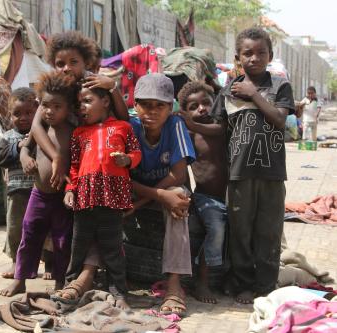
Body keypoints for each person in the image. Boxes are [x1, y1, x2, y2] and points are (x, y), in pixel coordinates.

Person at [211, 27, 295, 304]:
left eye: (261, 52)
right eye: (248, 53)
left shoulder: (279, 85)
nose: (254, 58)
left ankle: (267, 285)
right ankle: (244, 283)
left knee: (269, 231)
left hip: (272, 174)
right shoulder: (229, 89)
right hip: (239, 173)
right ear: (238, 57)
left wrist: (253, 94)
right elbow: (219, 130)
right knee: (241, 232)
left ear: (270, 55)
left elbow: (280, 120)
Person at [55, 86, 141, 309]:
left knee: (112, 246)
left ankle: (119, 292)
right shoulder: (78, 133)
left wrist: (128, 160)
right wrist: (70, 189)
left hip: (112, 196)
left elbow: (136, 152)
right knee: (79, 244)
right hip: (84, 195)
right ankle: (70, 285)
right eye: (79, 104)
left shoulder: (123, 127)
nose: (81, 108)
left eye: (87, 101)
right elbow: (74, 166)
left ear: (105, 101)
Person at [0, 71, 79, 297]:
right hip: (39, 193)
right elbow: (26, 146)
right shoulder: (42, 127)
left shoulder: (73, 131)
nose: (49, 111)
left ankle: (60, 282)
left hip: (61, 197)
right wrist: (25, 157)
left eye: (57, 106)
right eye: (45, 105)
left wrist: (71, 188)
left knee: (63, 241)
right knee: (29, 235)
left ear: (69, 108)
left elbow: (78, 163)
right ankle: (20, 280)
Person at [130, 73, 196, 315]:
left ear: (171, 108)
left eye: (160, 105)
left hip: (163, 190)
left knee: (178, 198)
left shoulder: (175, 125)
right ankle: (104, 274)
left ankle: (175, 285)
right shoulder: (129, 127)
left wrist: (145, 201)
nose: (152, 111)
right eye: (146, 105)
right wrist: (153, 196)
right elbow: (122, 177)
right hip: (138, 189)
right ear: (135, 105)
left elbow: (178, 175)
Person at [31, 31, 129, 190]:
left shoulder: (94, 82)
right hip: (66, 156)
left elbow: (123, 119)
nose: (66, 68)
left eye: (73, 62)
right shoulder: (54, 86)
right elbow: (36, 126)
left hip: (91, 154)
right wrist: (57, 157)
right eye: (60, 64)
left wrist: (113, 87)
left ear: (86, 62)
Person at [177, 81, 228, 304]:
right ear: (185, 111)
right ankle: (202, 281)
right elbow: (182, 165)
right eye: (193, 106)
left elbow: (219, 129)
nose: (202, 109)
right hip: (206, 197)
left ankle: (230, 279)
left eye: (206, 103)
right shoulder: (189, 134)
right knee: (216, 231)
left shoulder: (222, 125)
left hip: (232, 195)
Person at [0, 87, 38, 280]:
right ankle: (16, 262)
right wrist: (18, 146)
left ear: (37, 111)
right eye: (17, 114)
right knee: (15, 227)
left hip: (39, 190)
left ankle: (45, 263)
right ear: (9, 115)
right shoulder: (8, 137)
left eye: (29, 113)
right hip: (16, 191)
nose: (23, 118)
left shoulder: (42, 133)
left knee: (41, 228)